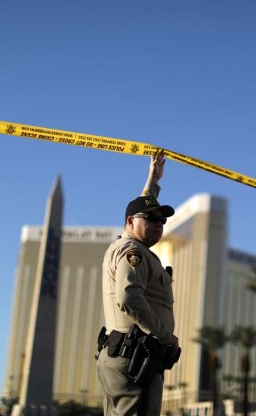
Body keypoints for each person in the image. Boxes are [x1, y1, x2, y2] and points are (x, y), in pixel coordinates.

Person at [97, 149, 180, 416]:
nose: (159, 224)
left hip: (126, 355)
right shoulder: (133, 253)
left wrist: (153, 180)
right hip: (136, 358)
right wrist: (165, 337)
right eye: (152, 219)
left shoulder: (129, 245)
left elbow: (143, 207)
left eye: (163, 220)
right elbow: (128, 298)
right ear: (131, 222)